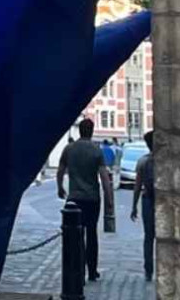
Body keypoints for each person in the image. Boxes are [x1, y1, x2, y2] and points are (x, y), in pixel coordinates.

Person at [56, 118, 110, 283]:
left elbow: (60, 170)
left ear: (80, 130)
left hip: (74, 198)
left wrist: (60, 187)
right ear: (92, 131)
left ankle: (76, 269)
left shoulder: (69, 149)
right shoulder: (96, 150)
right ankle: (92, 270)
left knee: (75, 236)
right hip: (92, 198)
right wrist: (109, 198)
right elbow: (104, 176)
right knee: (92, 234)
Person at [130, 130, 157, 280]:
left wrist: (134, 206)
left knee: (149, 237)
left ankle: (148, 269)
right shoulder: (164, 160)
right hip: (161, 201)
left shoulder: (142, 161)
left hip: (147, 200)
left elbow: (137, 186)